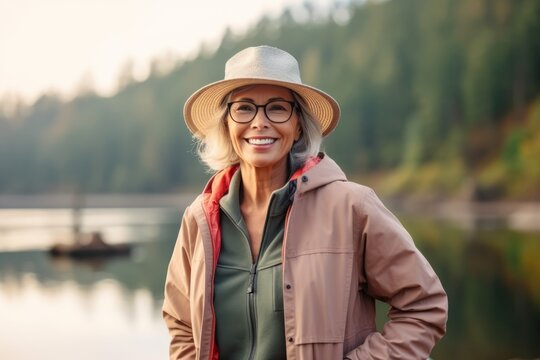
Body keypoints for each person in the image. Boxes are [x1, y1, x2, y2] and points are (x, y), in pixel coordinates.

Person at [162, 45, 448, 360]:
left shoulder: (352, 207)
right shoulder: (199, 219)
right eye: (244, 108)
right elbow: (181, 324)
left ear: (298, 123)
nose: (259, 122)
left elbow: (424, 307)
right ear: (227, 124)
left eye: (277, 107)